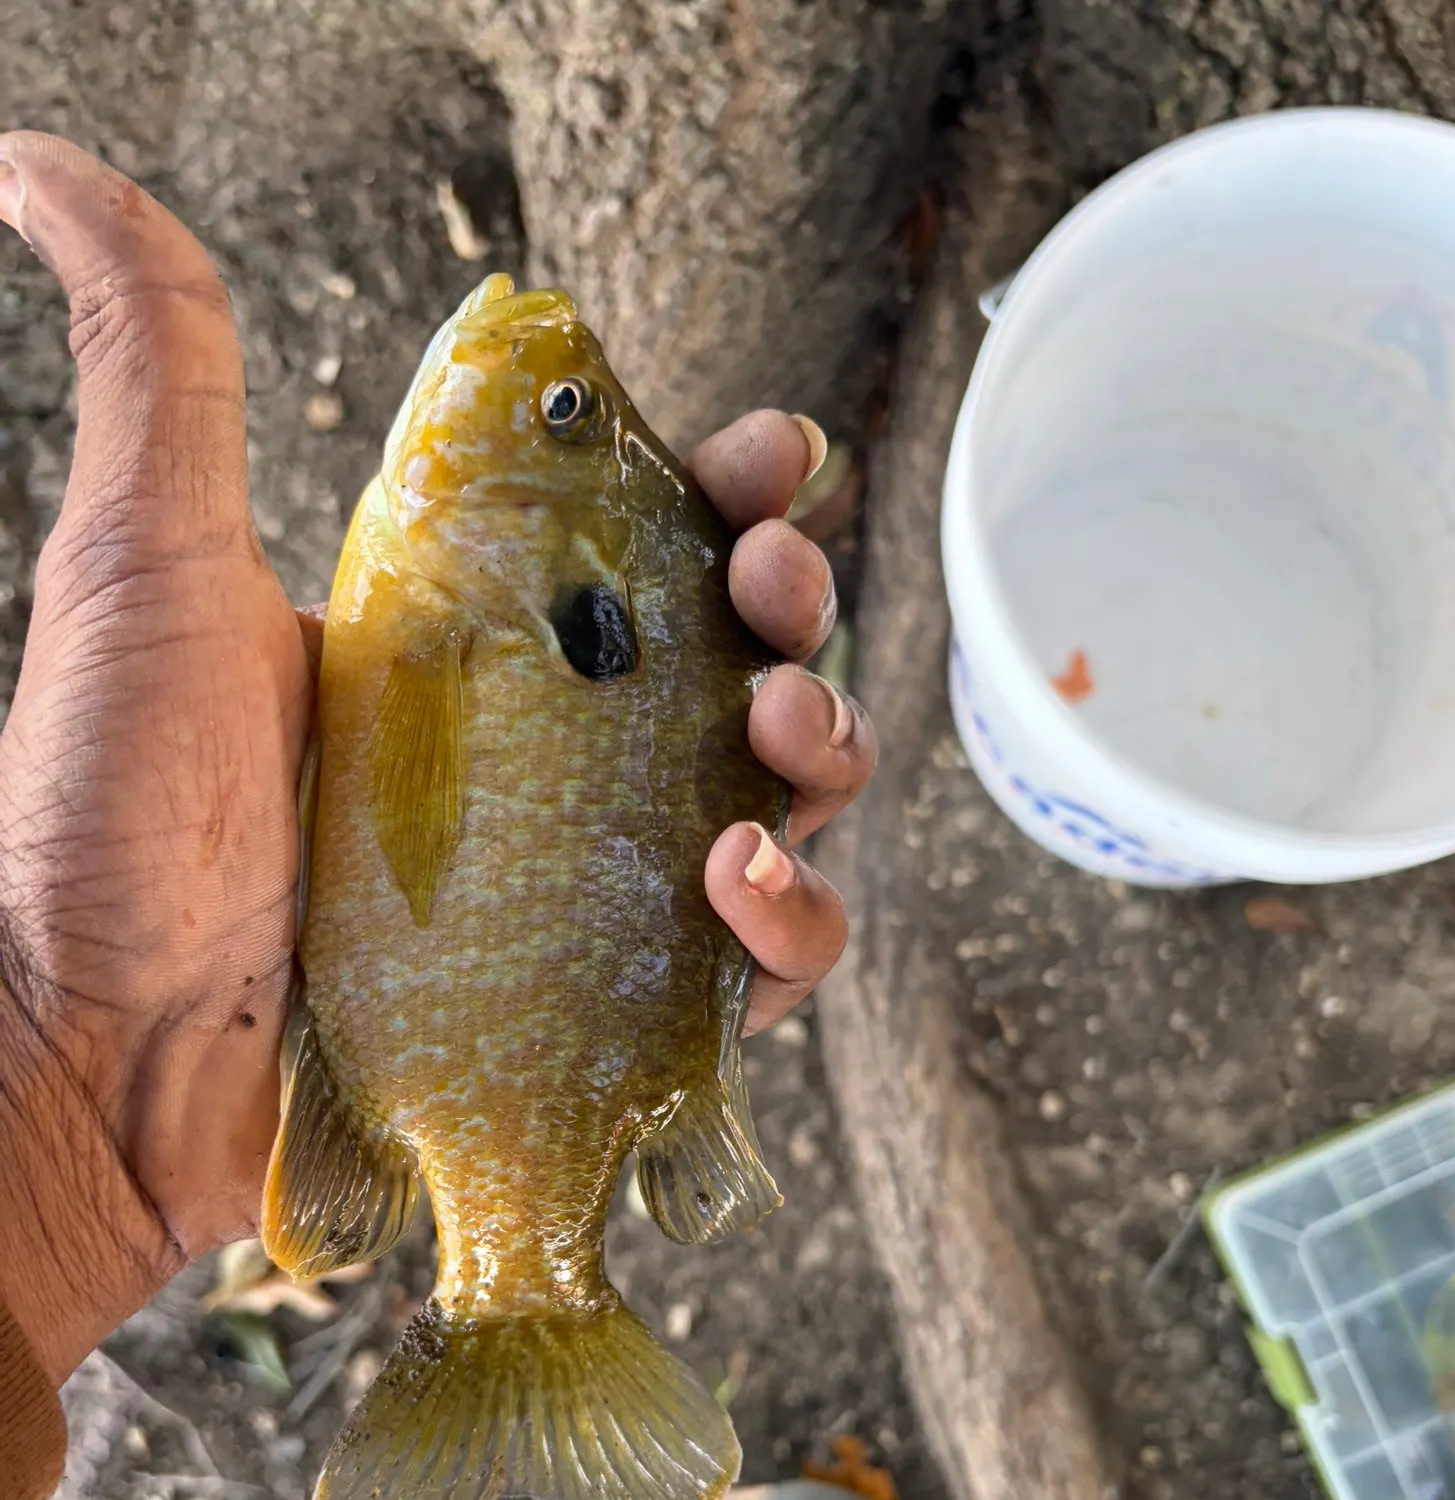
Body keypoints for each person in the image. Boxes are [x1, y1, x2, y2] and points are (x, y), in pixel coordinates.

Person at [0, 131, 877, 1498]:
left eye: (564, 417)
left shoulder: (439, 589)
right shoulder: (457, 593)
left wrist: (74, 1065)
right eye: (573, 417)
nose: (553, 361)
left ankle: (525, 1296)